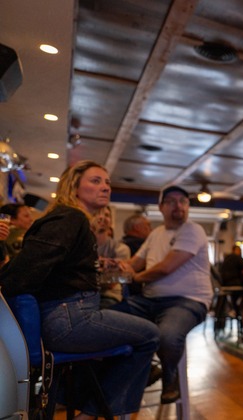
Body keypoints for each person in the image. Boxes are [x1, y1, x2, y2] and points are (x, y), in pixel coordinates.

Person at [0, 160, 159, 419]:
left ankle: (81, 399)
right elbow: (27, 269)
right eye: (95, 181)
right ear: (74, 187)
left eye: (107, 182)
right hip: (71, 318)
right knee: (151, 334)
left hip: (63, 316)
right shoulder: (70, 217)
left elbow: (50, 267)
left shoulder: (69, 218)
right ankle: (92, 411)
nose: (105, 187)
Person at [115, 185, 213, 404]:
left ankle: (171, 377)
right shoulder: (155, 234)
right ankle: (147, 367)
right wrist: (118, 266)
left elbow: (165, 268)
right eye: (171, 201)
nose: (178, 206)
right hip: (149, 300)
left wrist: (134, 277)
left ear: (188, 206)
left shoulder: (192, 230)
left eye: (183, 201)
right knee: (109, 317)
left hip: (188, 301)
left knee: (168, 335)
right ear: (160, 207)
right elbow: (134, 263)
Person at [92, 205, 132, 308]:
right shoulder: (82, 245)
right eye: (97, 214)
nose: (102, 218)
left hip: (108, 297)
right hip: (82, 297)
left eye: (107, 215)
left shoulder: (121, 249)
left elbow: (113, 281)